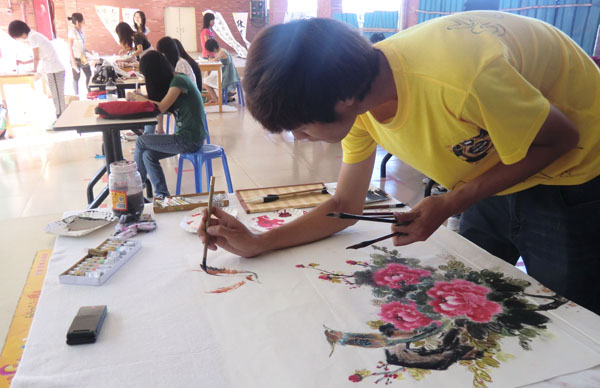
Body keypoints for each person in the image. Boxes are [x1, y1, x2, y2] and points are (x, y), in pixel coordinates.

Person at [199, 13, 600, 314]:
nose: (299, 138)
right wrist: (260, 241)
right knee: (476, 296)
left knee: (572, 315)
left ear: (342, 99)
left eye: (300, 127)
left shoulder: (460, 79)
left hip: (572, 172)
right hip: (495, 169)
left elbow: (560, 139)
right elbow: (345, 205)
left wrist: (451, 202)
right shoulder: (359, 98)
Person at [127, 51, 206, 199]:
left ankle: (137, 185)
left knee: (141, 141)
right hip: (187, 137)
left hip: (190, 139)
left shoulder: (179, 82)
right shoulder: (176, 80)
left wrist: (137, 97)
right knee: (148, 155)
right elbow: (163, 104)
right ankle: (162, 195)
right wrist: (141, 97)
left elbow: (161, 108)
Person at [8, 20, 66, 119]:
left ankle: (61, 118)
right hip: (53, 69)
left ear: (21, 33)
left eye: (17, 37)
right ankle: (61, 117)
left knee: (57, 96)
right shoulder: (34, 35)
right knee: (57, 96)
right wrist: (24, 63)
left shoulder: (33, 38)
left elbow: (36, 58)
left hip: (54, 70)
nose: (18, 39)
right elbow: (39, 57)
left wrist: (34, 70)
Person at [153, 36, 197, 134]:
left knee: (157, 102)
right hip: (183, 98)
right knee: (156, 98)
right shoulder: (175, 63)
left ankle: (155, 131)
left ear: (164, 53)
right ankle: (158, 130)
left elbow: (177, 87)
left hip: (187, 101)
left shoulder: (180, 65)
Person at [203, 39, 240, 104]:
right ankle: (223, 96)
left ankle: (217, 101)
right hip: (227, 74)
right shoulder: (222, 50)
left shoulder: (221, 52)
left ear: (214, 48)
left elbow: (214, 60)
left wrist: (209, 60)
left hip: (226, 77)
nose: (213, 52)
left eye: (212, 51)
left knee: (206, 82)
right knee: (208, 76)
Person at [67, 12, 91, 96]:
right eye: (82, 20)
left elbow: (81, 45)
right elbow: (70, 47)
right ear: (77, 22)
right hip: (76, 58)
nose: (84, 21)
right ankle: (76, 95)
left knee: (89, 74)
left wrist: (87, 51)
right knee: (76, 77)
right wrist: (73, 61)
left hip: (83, 57)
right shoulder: (72, 32)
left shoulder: (81, 31)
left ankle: (90, 92)